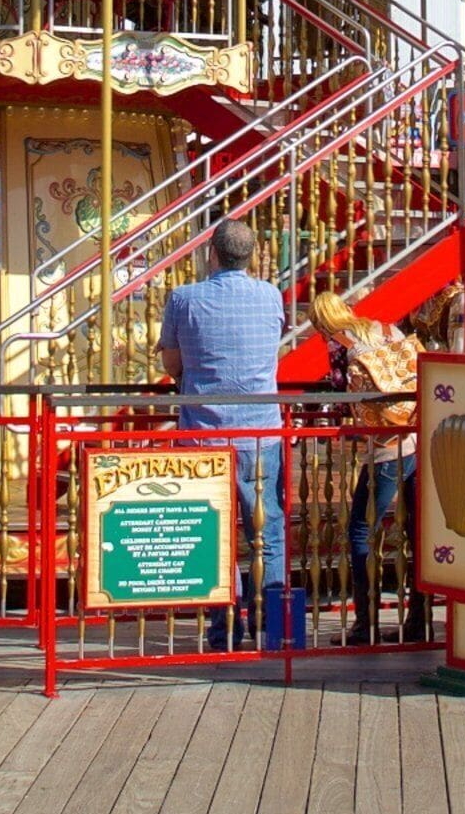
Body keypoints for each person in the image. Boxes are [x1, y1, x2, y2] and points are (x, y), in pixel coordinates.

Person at [158, 218, 290, 601]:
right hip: (260, 431)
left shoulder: (184, 298)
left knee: (211, 534)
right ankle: (270, 619)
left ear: (211, 254)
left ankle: (223, 627)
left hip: (205, 432)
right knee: (267, 530)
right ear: (251, 256)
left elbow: (171, 364)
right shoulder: (270, 296)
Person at [309, 289, 424, 645]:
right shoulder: (388, 330)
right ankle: (419, 620)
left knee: (361, 529)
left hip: (385, 444)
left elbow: (340, 390)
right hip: (415, 433)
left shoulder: (339, 344)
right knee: (417, 531)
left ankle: (366, 622)